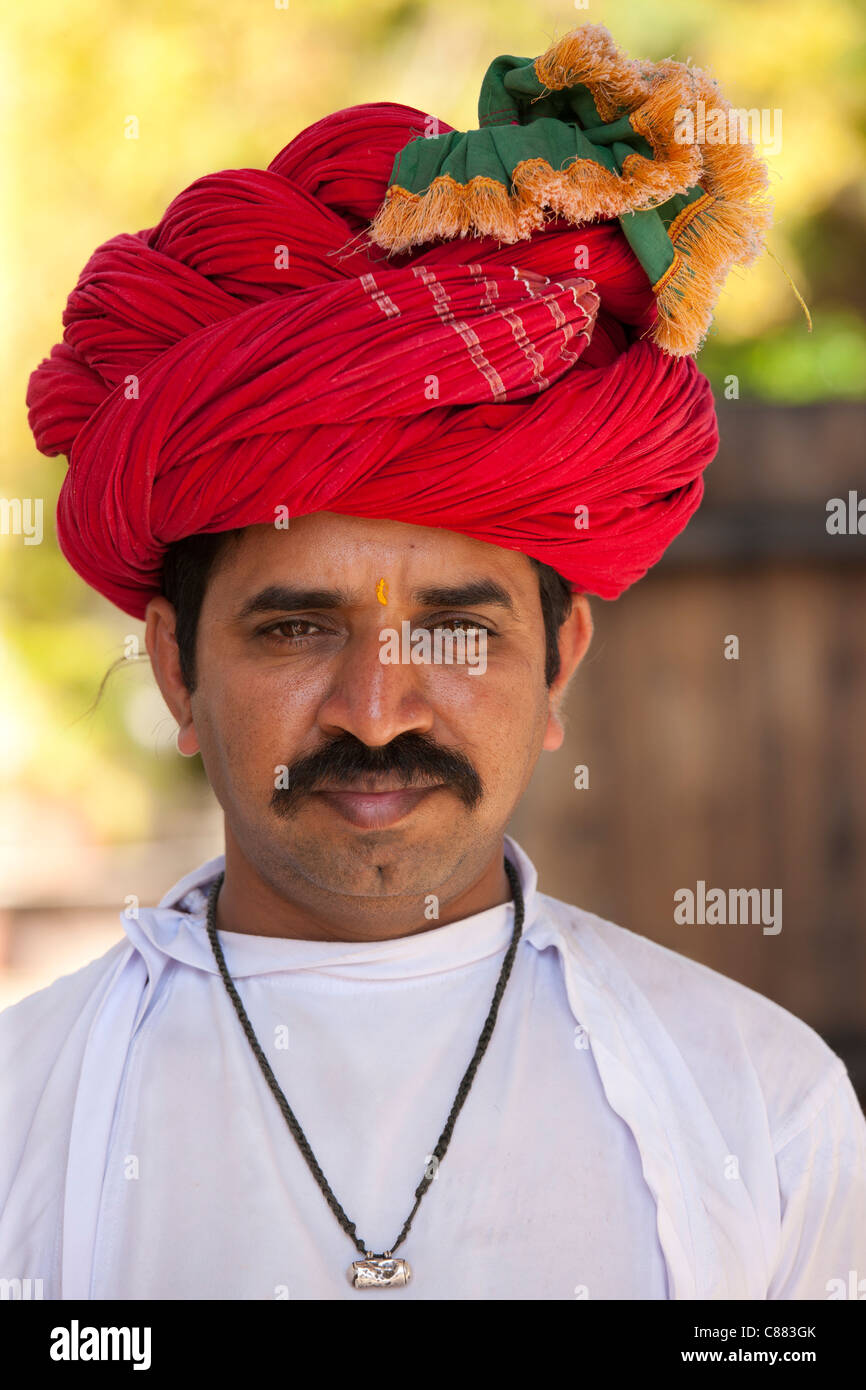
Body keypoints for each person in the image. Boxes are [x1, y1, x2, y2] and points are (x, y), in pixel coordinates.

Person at [3, 22, 864, 1300]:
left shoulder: (761, 1107)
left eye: (458, 629)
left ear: (559, 663)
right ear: (174, 668)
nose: (374, 706)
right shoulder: (22, 1113)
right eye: (295, 627)